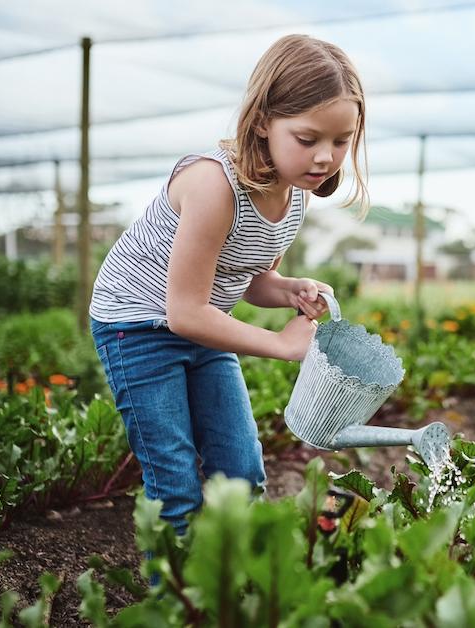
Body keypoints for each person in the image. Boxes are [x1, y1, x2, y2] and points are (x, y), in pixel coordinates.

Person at [88, 34, 368, 535]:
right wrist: (282, 345)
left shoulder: (294, 196)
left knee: (241, 472)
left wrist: (289, 289)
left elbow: (251, 281)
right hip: (137, 328)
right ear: (262, 120)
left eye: (340, 141)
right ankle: (178, 605)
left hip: (202, 327)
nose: (325, 157)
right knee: (175, 486)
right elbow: (185, 311)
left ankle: (232, 587)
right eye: (308, 139)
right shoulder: (213, 185)